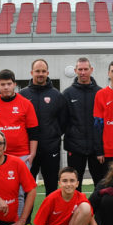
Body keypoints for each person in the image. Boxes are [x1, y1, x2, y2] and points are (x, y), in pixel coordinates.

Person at [0, 68, 39, 225]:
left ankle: (18, 224)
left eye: (9, 84)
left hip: (22, 155)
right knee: (0, 191)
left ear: (14, 84)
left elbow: (33, 131)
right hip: (0, 156)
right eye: (3, 84)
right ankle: (1, 224)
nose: (6, 87)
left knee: (20, 192)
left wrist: (32, 154)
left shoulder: (25, 103)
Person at [19, 58, 68, 195]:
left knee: (51, 187)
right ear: (31, 73)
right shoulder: (22, 95)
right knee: (26, 188)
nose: (40, 74)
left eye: (43, 71)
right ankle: (26, 211)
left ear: (47, 73)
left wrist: (53, 135)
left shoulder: (56, 95)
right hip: (28, 150)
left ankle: (51, 210)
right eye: (37, 71)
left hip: (50, 148)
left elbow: (63, 121)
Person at [33, 167, 103, 225]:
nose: (68, 184)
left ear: (77, 183)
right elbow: (37, 224)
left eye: (72, 181)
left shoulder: (81, 197)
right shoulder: (51, 199)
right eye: (65, 181)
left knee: (86, 207)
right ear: (59, 183)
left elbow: (91, 221)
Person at [63, 56, 103, 190]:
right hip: (75, 147)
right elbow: (63, 120)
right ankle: (77, 205)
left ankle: (98, 206)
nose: (83, 72)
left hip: (96, 149)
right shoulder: (67, 93)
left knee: (101, 185)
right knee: (74, 185)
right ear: (75, 70)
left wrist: (100, 146)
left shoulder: (100, 92)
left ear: (91, 70)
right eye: (80, 69)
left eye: (86, 69)